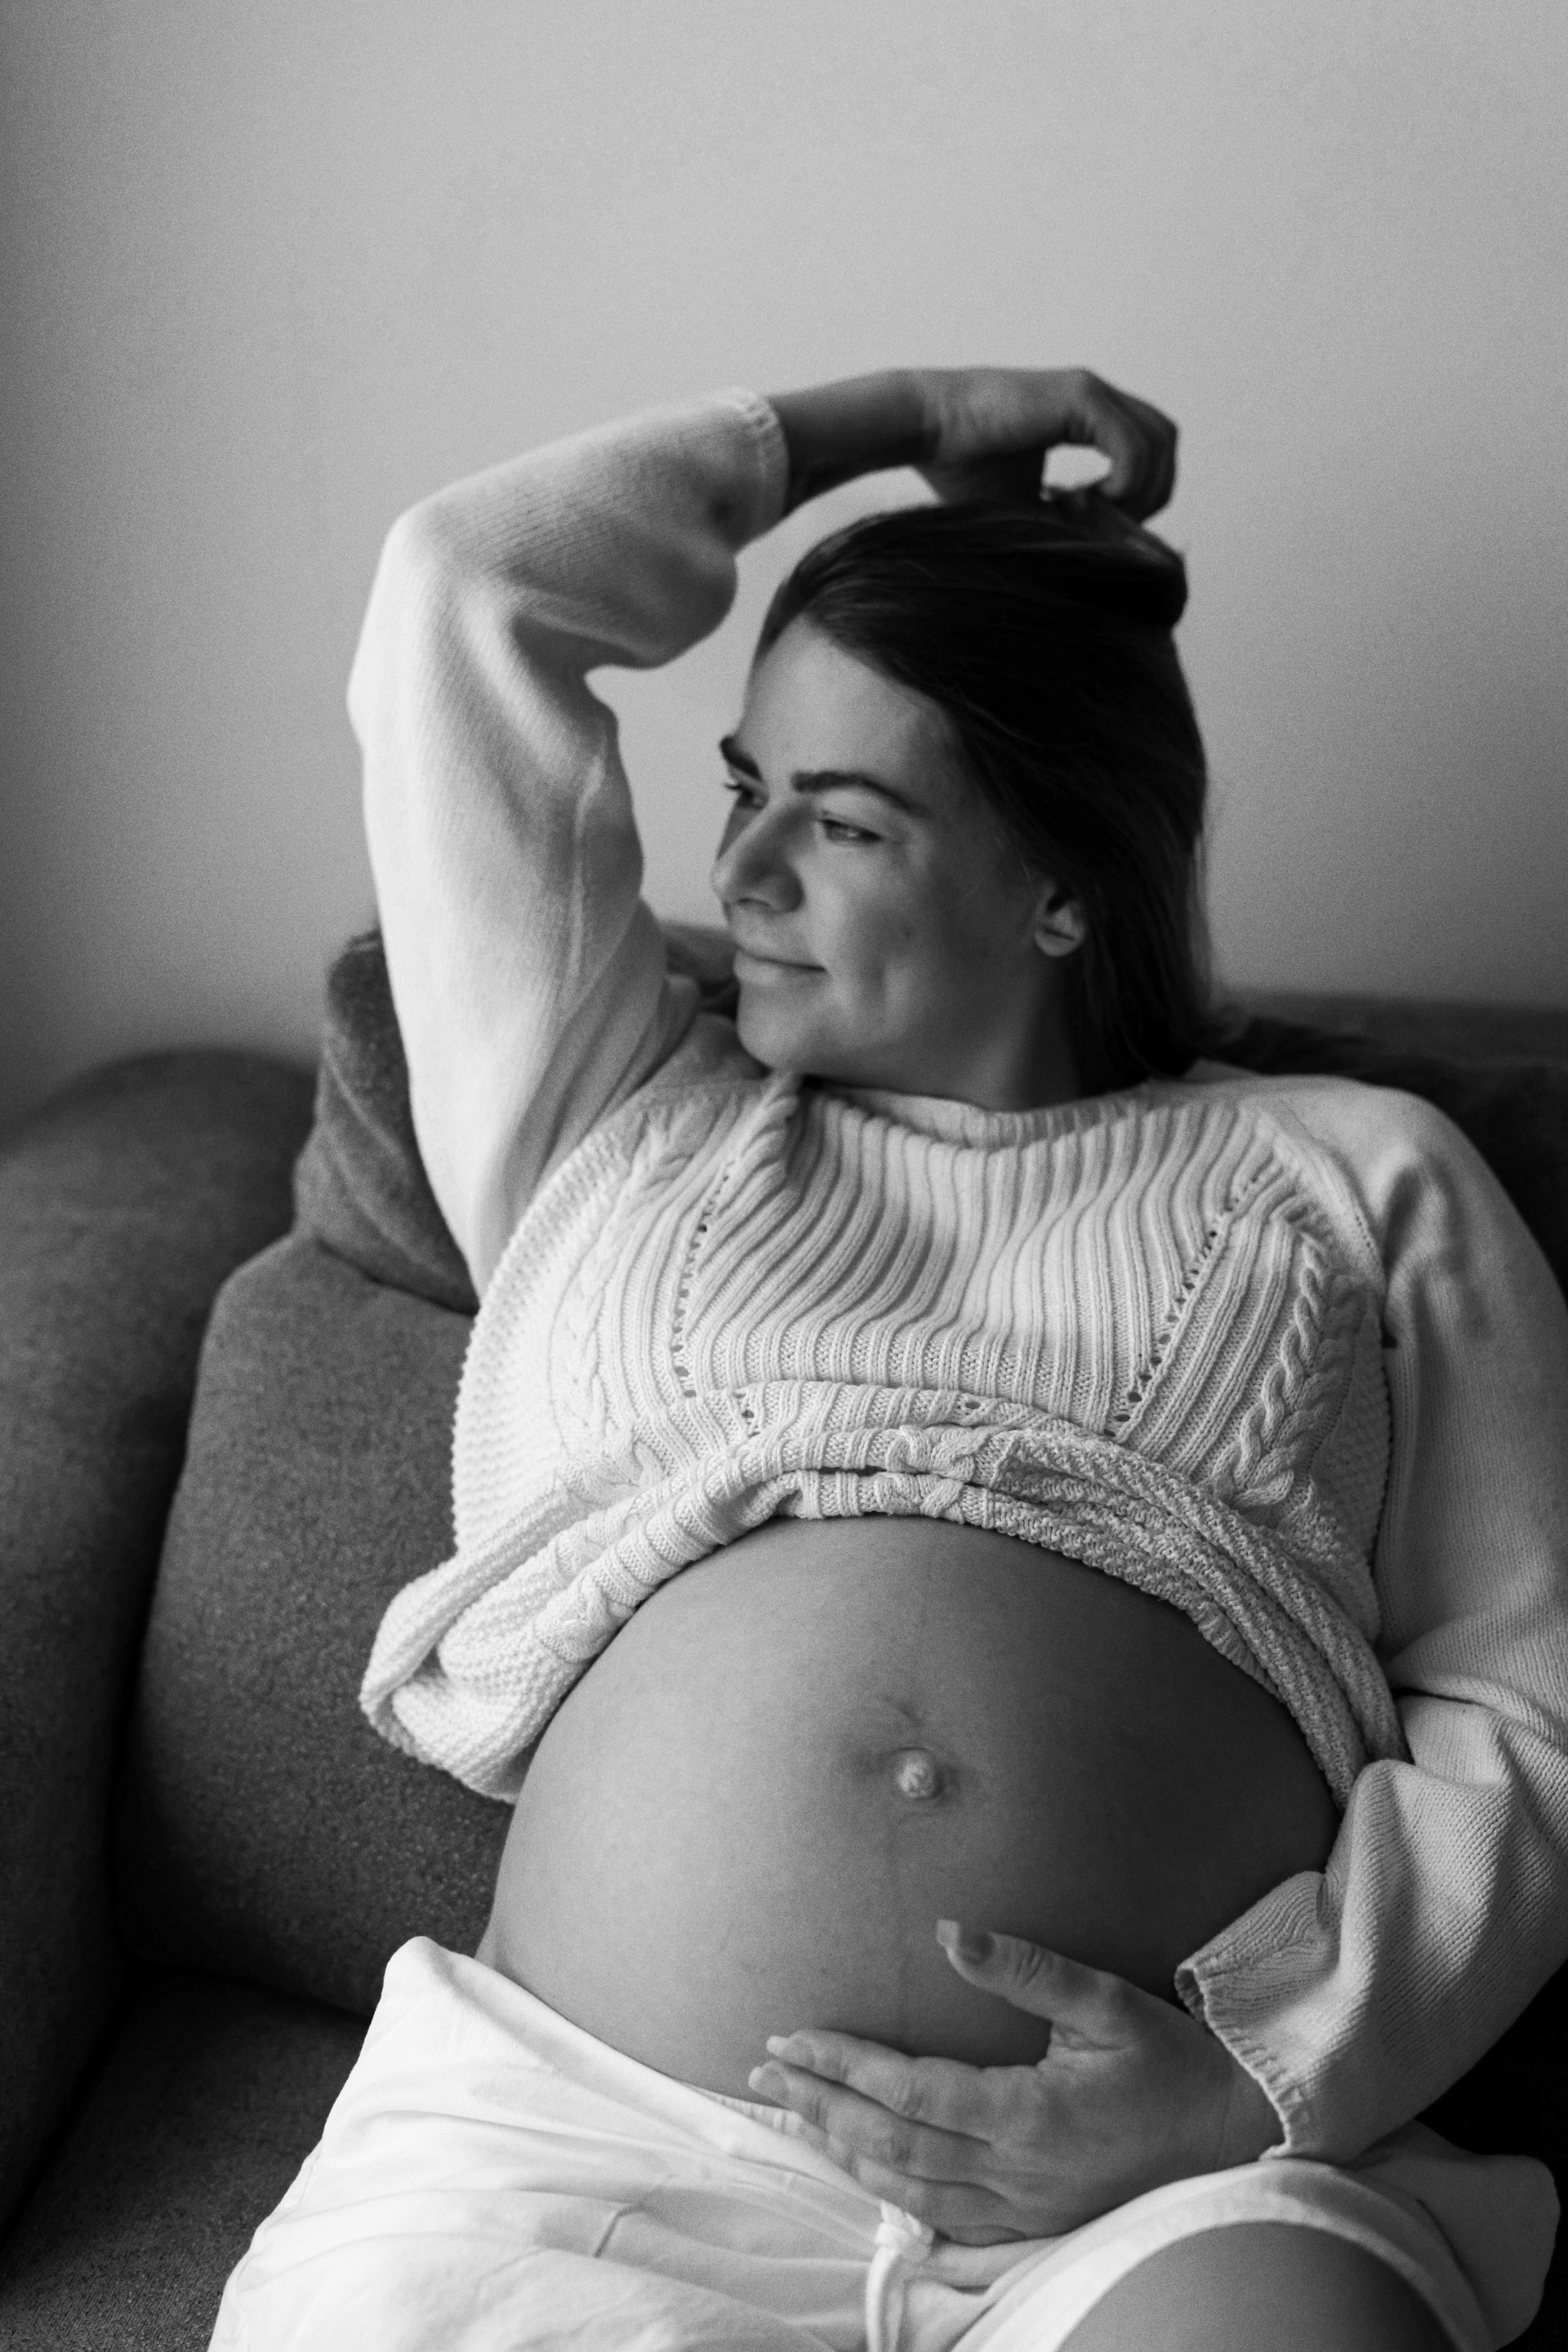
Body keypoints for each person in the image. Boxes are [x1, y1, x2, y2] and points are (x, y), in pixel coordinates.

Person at [209, 369, 1568, 2351]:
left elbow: (1529, 1709)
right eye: (744, 789)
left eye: (842, 822)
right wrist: (906, 415)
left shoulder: (1363, 1174)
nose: (745, 875)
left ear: (1061, 888)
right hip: (594, 2156)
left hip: (1164, 2189)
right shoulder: (611, 1110)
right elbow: (463, 591)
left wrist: (1257, 2072)